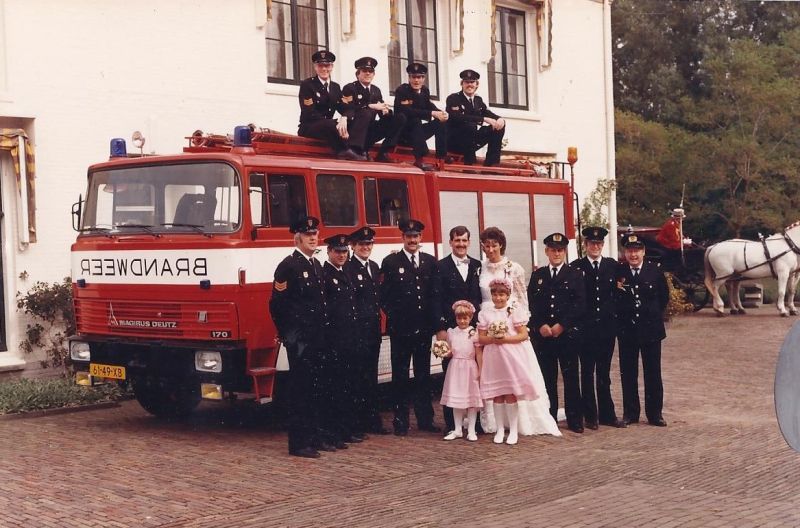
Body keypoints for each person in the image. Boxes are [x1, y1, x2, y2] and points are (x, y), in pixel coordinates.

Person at [478, 227, 561, 437]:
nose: (490, 249)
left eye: (494, 245)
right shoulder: (480, 268)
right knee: (495, 378)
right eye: (486, 245)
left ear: (501, 245)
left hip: (510, 322)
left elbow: (523, 300)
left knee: (514, 378)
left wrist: (514, 325)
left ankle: (519, 424)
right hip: (488, 318)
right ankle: (496, 424)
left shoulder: (513, 268)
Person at [269, 215, 327, 458]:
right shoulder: (288, 266)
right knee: (300, 390)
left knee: (315, 389)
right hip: (300, 341)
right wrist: (289, 336)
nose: (313, 237)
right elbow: (277, 305)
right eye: (307, 234)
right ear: (297, 238)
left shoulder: (315, 265)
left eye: (315, 234)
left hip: (317, 337)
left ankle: (313, 438)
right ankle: (299, 443)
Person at [380, 219, 440, 435]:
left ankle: (425, 420)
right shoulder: (391, 262)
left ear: (420, 238)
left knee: (423, 375)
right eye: (408, 236)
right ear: (403, 238)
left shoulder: (430, 262)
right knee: (400, 376)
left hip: (423, 329)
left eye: (416, 236)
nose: (412, 240)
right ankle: (401, 421)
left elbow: (434, 295)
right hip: (401, 330)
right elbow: (383, 296)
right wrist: (396, 316)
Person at [527, 232, 586, 433]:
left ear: (565, 251)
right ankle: (549, 417)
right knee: (547, 378)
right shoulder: (538, 275)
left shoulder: (575, 274)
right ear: (546, 251)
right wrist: (540, 325)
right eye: (553, 250)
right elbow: (532, 304)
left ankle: (574, 419)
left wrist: (562, 325)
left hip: (566, 335)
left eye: (560, 250)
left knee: (570, 378)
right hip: (544, 337)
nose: (557, 253)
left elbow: (579, 305)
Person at [570, 227, 626, 429]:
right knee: (587, 372)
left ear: (603, 245)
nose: (595, 247)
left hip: (606, 329)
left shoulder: (613, 266)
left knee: (604, 373)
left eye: (599, 244)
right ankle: (590, 415)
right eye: (591, 243)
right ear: (585, 245)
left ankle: (607, 415)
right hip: (585, 330)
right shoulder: (576, 267)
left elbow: (621, 292)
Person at [615, 232, 669, 427]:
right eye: (629, 251)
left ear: (643, 251)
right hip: (627, 331)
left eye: (637, 250)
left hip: (651, 330)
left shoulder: (655, 271)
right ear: (625, 253)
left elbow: (663, 298)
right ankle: (631, 413)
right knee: (628, 373)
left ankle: (655, 414)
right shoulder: (619, 272)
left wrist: (651, 316)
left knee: (653, 373)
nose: (633, 255)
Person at [478, 278, 539, 445]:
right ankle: (499, 429)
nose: (498, 298)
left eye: (501, 294)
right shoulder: (485, 313)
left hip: (510, 355)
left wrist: (505, 338)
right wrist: (492, 338)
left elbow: (523, 335)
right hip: (493, 357)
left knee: (510, 393)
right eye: (495, 295)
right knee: (497, 394)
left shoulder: (513, 311)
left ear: (508, 295)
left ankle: (513, 430)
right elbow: (481, 338)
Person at [434, 225, 482, 433]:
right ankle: (452, 425)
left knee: (475, 376)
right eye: (457, 240)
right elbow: (434, 299)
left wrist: (480, 328)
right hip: (451, 331)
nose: (461, 244)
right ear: (450, 242)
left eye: (464, 240)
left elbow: (481, 299)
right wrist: (441, 329)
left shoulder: (477, 265)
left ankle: (475, 423)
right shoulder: (440, 266)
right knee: (450, 378)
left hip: (473, 332)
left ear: (469, 242)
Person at [345, 226, 390, 435]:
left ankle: (373, 421)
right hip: (355, 334)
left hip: (372, 332)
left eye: (369, 244)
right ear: (353, 246)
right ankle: (357, 423)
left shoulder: (374, 267)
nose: (366, 247)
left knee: (371, 377)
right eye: (362, 244)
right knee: (356, 378)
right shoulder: (347, 268)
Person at [321, 233, 364, 447]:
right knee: (334, 390)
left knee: (348, 387)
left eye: (344, 251)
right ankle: (333, 434)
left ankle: (346, 430)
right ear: (329, 252)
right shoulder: (324, 274)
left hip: (350, 340)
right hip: (334, 342)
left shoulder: (346, 272)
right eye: (337, 251)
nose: (341, 255)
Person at [297, 50, 365, 161]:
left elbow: (347, 107)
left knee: (358, 117)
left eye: (327, 65)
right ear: (315, 67)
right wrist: (336, 123)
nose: (324, 69)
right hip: (310, 127)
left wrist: (344, 118)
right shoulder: (307, 85)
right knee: (330, 124)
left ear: (332, 66)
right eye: (320, 65)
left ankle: (355, 149)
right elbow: (309, 112)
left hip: (329, 127)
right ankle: (343, 151)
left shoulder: (335, 87)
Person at [340, 57, 407, 162]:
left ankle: (384, 152)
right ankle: (355, 150)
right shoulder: (350, 88)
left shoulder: (376, 90)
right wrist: (370, 106)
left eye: (370, 71)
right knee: (366, 113)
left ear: (373, 74)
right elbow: (348, 108)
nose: (368, 74)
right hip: (355, 130)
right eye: (364, 71)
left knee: (400, 118)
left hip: (369, 130)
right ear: (358, 74)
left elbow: (381, 112)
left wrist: (386, 112)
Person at [439, 300, 483, 442]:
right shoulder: (452, 333)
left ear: (470, 318)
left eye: (465, 318)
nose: (462, 321)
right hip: (455, 368)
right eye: (459, 318)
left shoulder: (473, 332)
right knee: (456, 399)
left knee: (471, 400)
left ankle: (471, 429)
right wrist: (443, 352)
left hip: (470, 368)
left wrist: (481, 370)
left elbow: (478, 353)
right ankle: (457, 429)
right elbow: (451, 351)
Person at [393, 62, 449, 170]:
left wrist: (440, 112)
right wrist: (431, 113)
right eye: (413, 77)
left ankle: (441, 156)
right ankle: (419, 160)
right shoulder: (402, 90)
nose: (416, 80)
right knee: (415, 120)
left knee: (440, 121)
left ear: (424, 78)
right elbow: (407, 111)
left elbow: (428, 105)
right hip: (403, 133)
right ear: (409, 78)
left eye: (420, 77)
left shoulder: (424, 91)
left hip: (417, 134)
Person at [445, 69, 506, 166]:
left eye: (472, 82)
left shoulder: (478, 100)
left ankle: (492, 163)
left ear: (477, 84)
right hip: (455, 141)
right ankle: (469, 164)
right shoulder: (453, 98)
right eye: (466, 82)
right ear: (462, 84)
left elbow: (486, 112)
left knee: (499, 126)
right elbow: (458, 117)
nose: (470, 85)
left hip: (471, 141)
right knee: (469, 125)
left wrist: (499, 119)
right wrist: (483, 119)